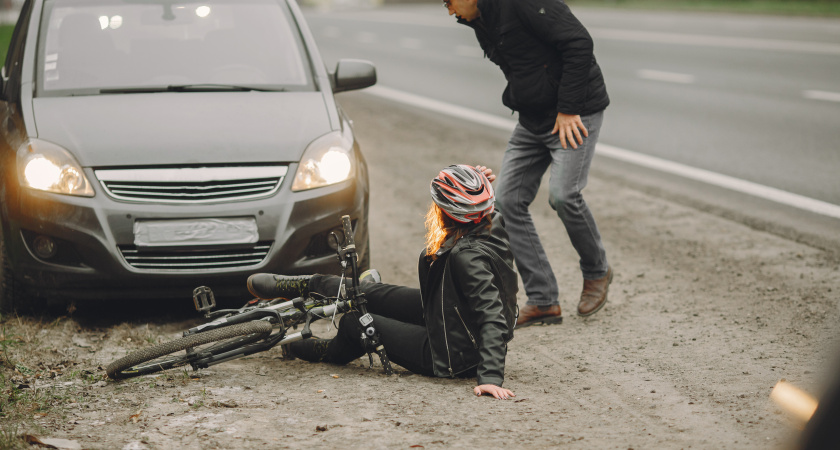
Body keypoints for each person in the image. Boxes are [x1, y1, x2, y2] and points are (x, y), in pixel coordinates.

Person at [247, 165, 519, 399]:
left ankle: (322, 349)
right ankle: (302, 284)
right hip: (447, 315)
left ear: (447, 213)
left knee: (356, 322)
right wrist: (473, 187)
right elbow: (478, 206)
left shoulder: (467, 257)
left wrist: (490, 378)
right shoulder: (491, 221)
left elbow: (493, 315)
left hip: (450, 353)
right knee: (364, 291)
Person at [444, 0, 613, 325]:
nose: (449, 10)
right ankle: (544, 299)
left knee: (563, 195)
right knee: (506, 201)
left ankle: (597, 271)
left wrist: (567, 108)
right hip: (533, 119)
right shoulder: (483, 21)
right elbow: (523, 65)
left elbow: (579, 42)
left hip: (574, 113)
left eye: (449, 1)